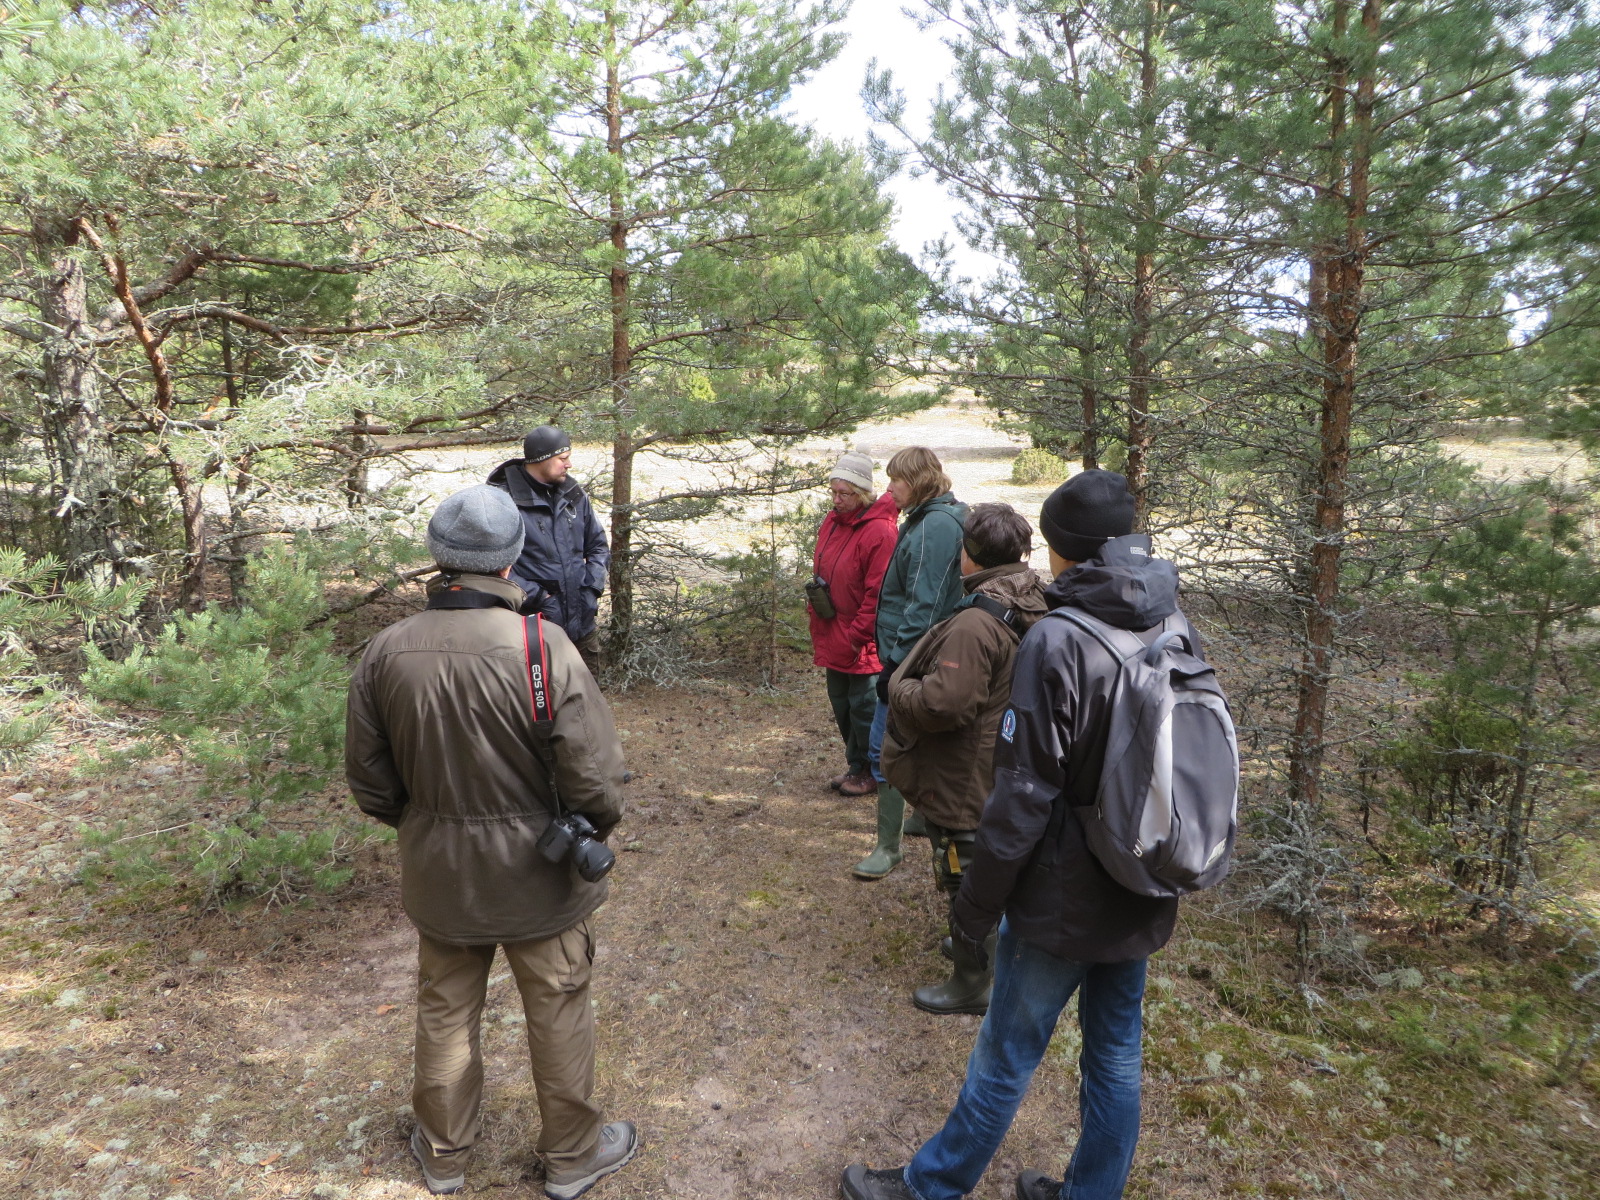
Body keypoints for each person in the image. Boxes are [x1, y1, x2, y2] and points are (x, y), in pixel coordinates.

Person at [840, 469, 1203, 1200]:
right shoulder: (1172, 620)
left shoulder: (1062, 639)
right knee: (1116, 1056)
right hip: (1141, 877)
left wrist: (977, 907)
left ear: (1062, 550)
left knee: (1005, 1054)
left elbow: (1022, 795)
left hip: (1064, 890)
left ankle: (926, 1188)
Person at [345, 484, 637, 1200]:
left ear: (440, 560)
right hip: (541, 873)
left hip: (442, 874)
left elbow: (372, 785)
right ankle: (573, 1158)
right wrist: (587, 830)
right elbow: (595, 780)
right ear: (510, 560)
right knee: (559, 1004)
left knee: (445, 1008)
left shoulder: (385, 653)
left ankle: (443, 1155)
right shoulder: (543, 647)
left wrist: (429, 828)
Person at [880, 502, 1048, 1015]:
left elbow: (943, 704)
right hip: (999, 760)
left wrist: (899, 688)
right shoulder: (1030, 595)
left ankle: (973, 983)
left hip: (966, 773)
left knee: (964, 875)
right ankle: (979, 948)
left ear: (969, 555)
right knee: (979, 868)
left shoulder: (976, 623)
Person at [853, 446, 967, 880]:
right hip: (919, 656)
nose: (888, 488)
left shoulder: (934, 526)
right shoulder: (929, 518)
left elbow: (925, 605)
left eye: (896, 480)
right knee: (920, 743)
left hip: (912, 659)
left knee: (885, 749)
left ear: (917, 480)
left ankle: (888, 848)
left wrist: (894, 666)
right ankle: (920, 816)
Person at [809, 451, 898, 797]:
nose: (836, 500)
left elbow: (878, 594)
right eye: (833, 492)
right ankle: (855, 764)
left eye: (843, 493)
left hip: (861, 640)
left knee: (864, 708)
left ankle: (871, 772)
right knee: (841, 703)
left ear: (862, 493)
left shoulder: (880, 532)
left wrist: (857, 636)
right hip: (833, 629)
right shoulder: (833, 521)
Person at [487, 425, 610, 670]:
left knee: (587, 702)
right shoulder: (502, 501)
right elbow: (494, 564)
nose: (569, 465)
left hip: (582, 626)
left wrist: (591, 590)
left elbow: (598, 546)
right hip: (531, 631)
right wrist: (541, 599)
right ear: (542, 459)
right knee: (537, 705)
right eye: (563, 458)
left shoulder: (573, 494)